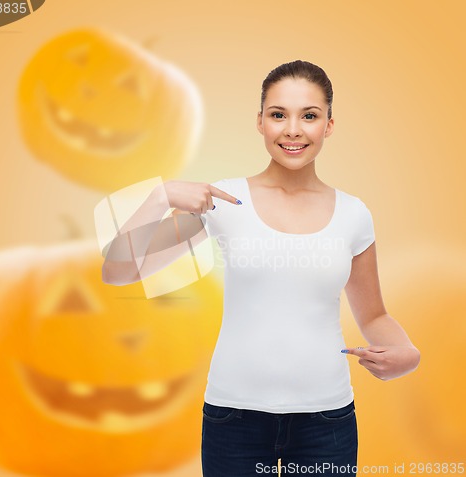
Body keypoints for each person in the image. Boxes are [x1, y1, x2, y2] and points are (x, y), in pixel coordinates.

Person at [100, 60, 420, 476]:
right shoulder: (224, 199)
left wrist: (407, 354)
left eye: (309, 115)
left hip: (327, 421)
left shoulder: (354, 214)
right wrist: (159, 197)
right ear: (260, 122)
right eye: (278, 115)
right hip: (234, 419)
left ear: (329, 124)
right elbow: (119, 270)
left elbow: (374, 315)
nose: (292, 130)